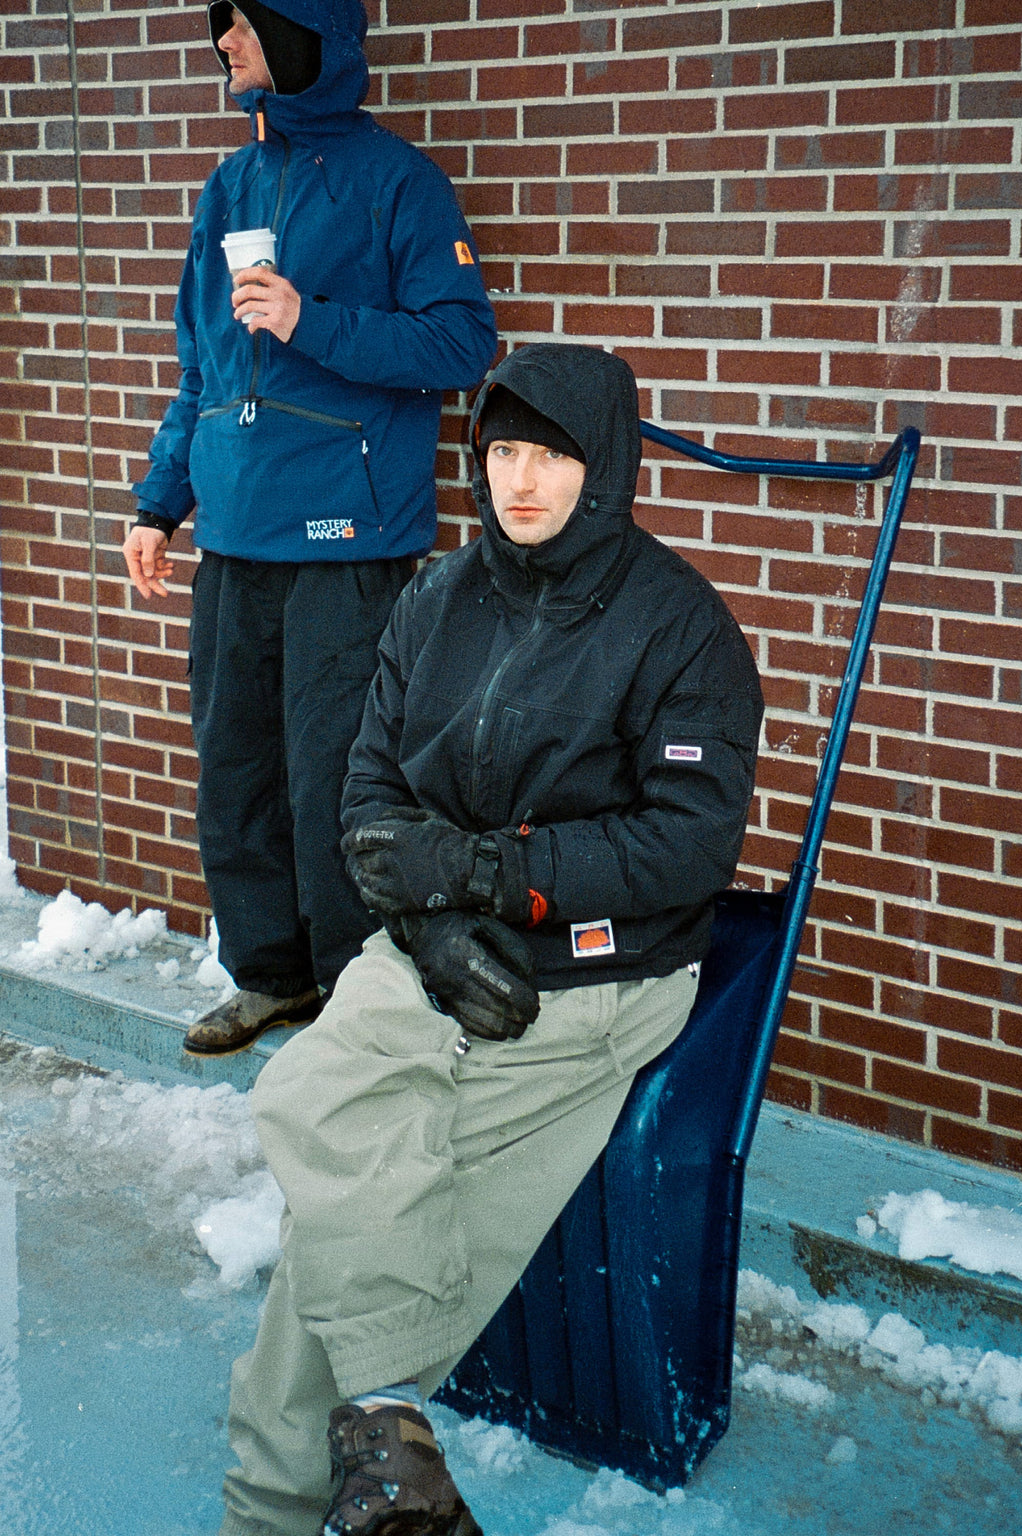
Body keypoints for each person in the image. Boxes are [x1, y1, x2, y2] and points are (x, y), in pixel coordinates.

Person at [214, 342, 764, 1536]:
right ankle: (387, 1436)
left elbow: (683, 847)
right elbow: (368, 792)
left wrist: (484, 878)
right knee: (314, 1100)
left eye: (553, 455)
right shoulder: (436, 597)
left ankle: (269, 1501)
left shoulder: (681, 630)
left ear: (604, 465)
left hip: (597, 977)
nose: (523, 481)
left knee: (361, 1217)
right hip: (426, 950)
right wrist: (426, 917)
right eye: (503, 451)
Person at [121, 0, 497, 1056]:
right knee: (234, 770)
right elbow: (200, 369)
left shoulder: (399, 182)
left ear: (299, 37)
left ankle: (354, 1000)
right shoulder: (230, 185)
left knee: (338, 777)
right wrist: (160, 502)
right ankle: (271, 977)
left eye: (241, 28)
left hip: (347, 543)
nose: (224, 48)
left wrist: (308, 319)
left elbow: (463, 344)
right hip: (233, 536)